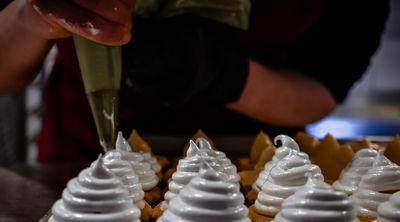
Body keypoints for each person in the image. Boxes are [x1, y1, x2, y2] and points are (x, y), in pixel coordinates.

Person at [0, 0, 389, 162]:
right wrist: (32, 17)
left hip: (260, 170)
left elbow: (323, 88)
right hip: (82, 163)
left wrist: (225, 74)